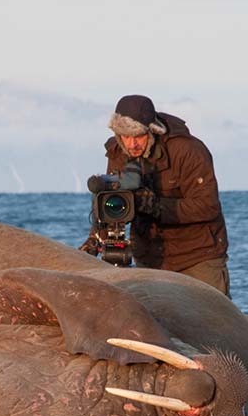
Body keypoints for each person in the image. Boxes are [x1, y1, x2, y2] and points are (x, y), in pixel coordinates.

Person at [80, 94, 231, 297]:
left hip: (197, 255)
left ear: (152, 130)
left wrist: (155, 206)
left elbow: (207, 206)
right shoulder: (118, 152)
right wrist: (95, 239)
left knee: (213, 323)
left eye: (138, 136)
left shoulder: (187, 151)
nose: (132, 144)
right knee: (157, 322)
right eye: (125, 136)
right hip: (150, 256)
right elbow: (113, 203)